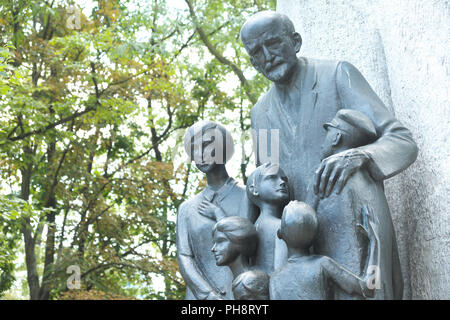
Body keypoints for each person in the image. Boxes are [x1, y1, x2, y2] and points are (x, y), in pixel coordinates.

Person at [241, 10, 417, 299]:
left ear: (295, 41)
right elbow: (269, 183)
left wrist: (359, 155)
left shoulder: (337, 75)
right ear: (252, 61)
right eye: (257, 52)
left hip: (352, 222)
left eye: (273, 43)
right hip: (300, 246)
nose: (267, 56)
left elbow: (402, 141)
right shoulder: (261, 113)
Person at [308, 109, 403, 299]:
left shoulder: (330, 179)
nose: (324, 139)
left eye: (328, 132)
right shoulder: (376, 189)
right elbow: (397, 279)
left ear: (336, 137)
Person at [176, 120, 253, 300]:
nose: (200, 154)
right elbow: (185, 257)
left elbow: (248, 246)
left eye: (206, 145)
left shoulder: (246, 197)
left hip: (240, 294)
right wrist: (207, 295)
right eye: (193, 148)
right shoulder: (187, 209)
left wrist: (219, 216)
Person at [270, 201, 380, 300]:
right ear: (315, 236)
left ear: (280, 234)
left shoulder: (274, 279)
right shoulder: (322, 264)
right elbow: (369, 288)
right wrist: (375, 242)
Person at [246, 162, 289, 275]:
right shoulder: (280, 227)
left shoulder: (256, 225)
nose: (282, 182)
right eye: (272, 178)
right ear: (254, 190)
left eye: (284, 179)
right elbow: (280, 274)